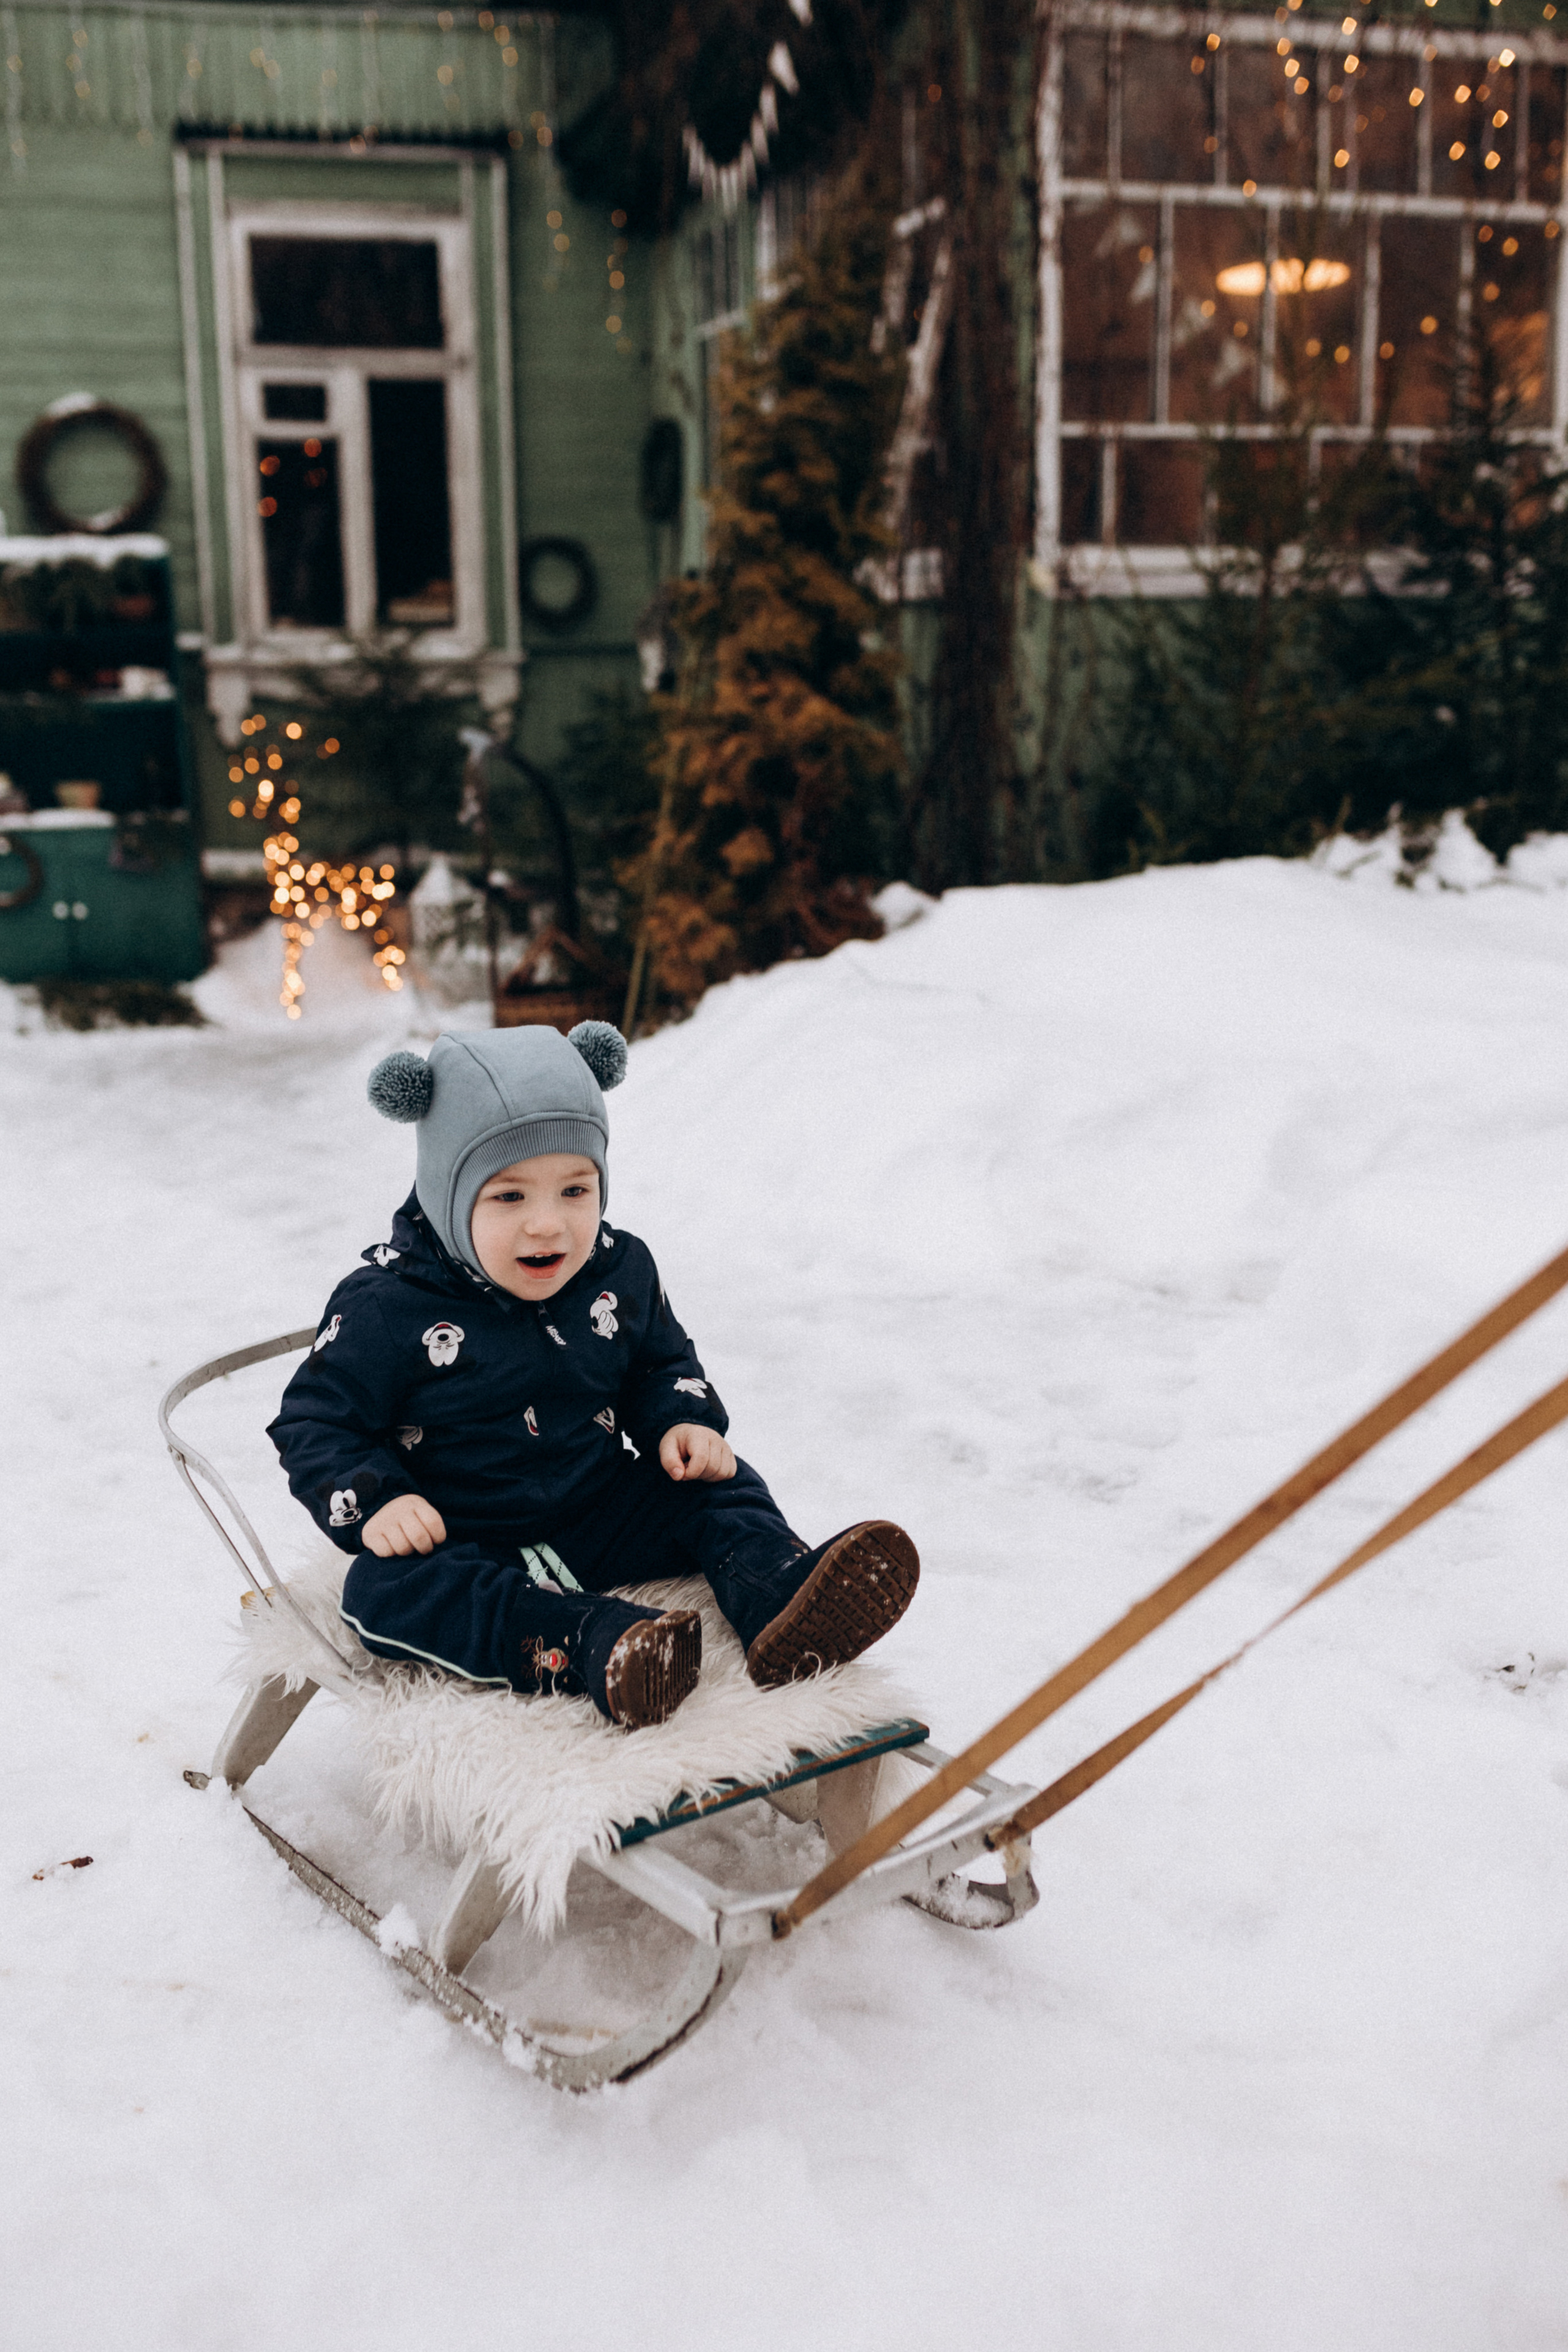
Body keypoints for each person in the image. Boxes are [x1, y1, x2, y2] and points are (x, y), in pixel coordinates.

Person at [269, 1021, 918, 1729]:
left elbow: (660, 1359)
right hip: (463, 1535)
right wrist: (378, 1501)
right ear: (447, 1196)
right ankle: (584, 1641)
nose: (549, 1225)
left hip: (598, 1506)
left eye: (575, 1191)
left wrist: (680, 1420)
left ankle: (778, 1602)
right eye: (510, 1197)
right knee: (382, 1594)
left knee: (715, 1486)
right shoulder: (387, 1308)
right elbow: (315, 1420)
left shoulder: (618, 1270)